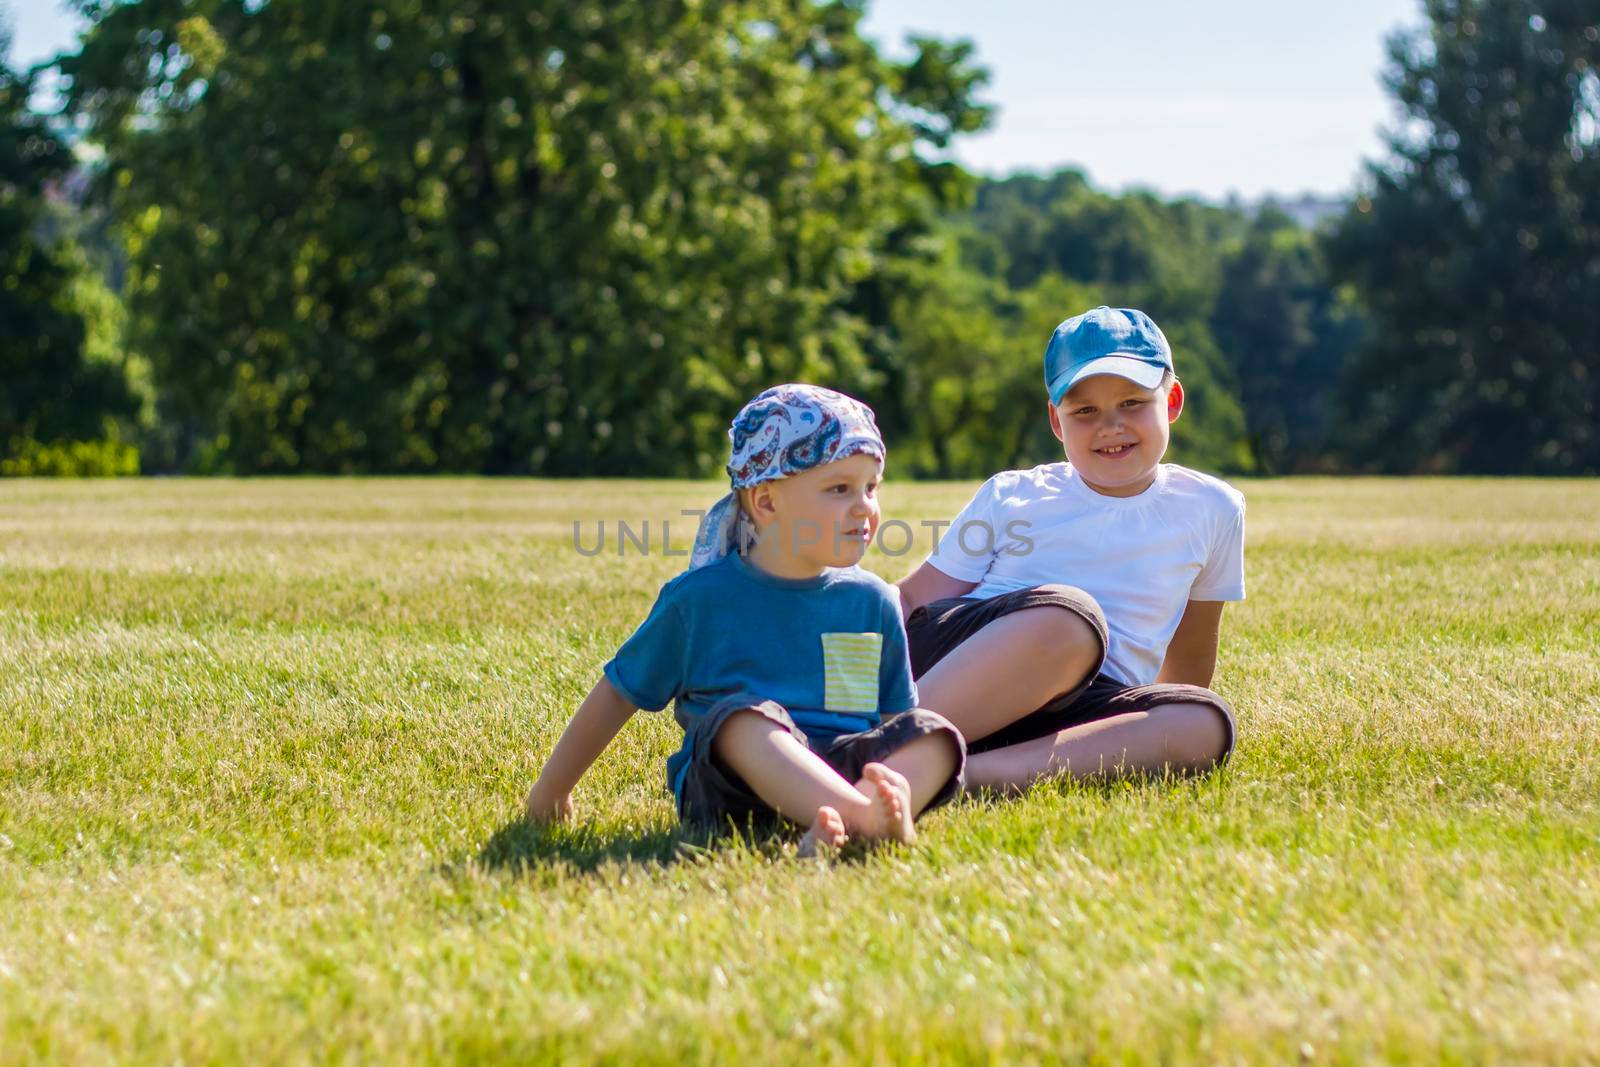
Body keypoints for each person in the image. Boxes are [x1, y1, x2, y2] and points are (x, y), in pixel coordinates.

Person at [526, 384, 965, 853]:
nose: (865, 507)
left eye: (870, 487)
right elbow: (617, 694)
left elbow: (895, 718)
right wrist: (551, 791)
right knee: (741, 718)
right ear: (767, 502)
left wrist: (892, 769)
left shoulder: (872, 601)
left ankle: (857, 811)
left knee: (937, 735)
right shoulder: (700, 601)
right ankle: (862, 820)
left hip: (839, 763)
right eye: (840, 488)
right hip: (732, 789)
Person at [896, 306, 1244, 793]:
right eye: (1085, 411)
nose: (1111, 426)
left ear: (1171, 402)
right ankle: (883, 743)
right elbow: (913, 601)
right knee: (1071, 619)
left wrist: (1159, 712)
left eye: (1132, 403)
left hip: (1076, 704)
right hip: (963, 671)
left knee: (1205, 721)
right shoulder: (1014, 494)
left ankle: (961, 776)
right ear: (1056, 422)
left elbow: (1192, 646)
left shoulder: (1213, 508)